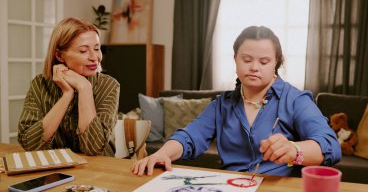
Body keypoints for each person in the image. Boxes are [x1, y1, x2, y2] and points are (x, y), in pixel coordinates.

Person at [132, 25, 342, 176]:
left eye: (264, 61)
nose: (254, 67)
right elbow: (190, 136)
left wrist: (294, 150)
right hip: (230, 191)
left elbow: (330, 144)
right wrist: (161, 153)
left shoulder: (296, 100)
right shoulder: (221, 105)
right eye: (247, 59)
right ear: (235, 60)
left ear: (275, 63)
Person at [18, 17, 120, 156]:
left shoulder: (109, 86)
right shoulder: (40, 84)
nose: (94, 57)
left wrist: (84, 88)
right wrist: (67, 95)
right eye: (83, 51)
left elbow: (93, 148)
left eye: (97, 48)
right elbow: (29, 144)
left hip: (98, 170)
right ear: (59, 55)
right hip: (53, 169)